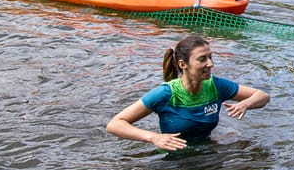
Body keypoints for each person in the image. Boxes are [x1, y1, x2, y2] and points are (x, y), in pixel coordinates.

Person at [107, 35, 270, 151]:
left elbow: (262, 96)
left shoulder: (217, 86)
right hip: (173, 161)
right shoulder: (165, 93)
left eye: (210, 57)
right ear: (183, 64)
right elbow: (115, 124)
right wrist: (153, 137)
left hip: (207, 153)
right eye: (202, 59)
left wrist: (246, 104)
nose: (211, 64)